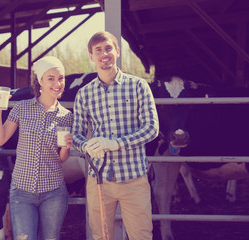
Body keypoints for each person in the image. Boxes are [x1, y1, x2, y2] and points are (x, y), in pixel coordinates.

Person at [72, 31, 159, 240]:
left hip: (133, 178)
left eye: (108, 48)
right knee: (101, 236)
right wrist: (86, 147)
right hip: (99, 179)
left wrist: (117, 144)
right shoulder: (84, 93)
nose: (104, 54)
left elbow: (152, 128)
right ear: (91, 56)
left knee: (142, 236)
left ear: (117, 51)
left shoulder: (139, 86)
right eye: (98, 50)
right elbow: (76, 135)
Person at [0, 56, 73, 240]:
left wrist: (66, 147)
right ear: (40, 81)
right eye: (51, 78)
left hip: (54, 192)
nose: (57, 83)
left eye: (60, 78)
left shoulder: (66, 116)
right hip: (22, 192)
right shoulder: (21, 108)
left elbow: (61, 158)